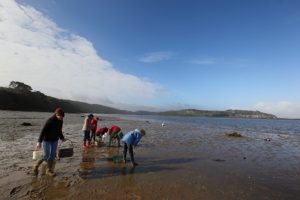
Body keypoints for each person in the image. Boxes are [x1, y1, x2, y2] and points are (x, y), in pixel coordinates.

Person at [33, 108, 66, 176]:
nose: (61, 118)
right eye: (60, 117)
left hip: (55, 140)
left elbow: (59, 130)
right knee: (46, 155)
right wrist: (39, 142)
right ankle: (36, 166)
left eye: (62, 117)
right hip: (46, 140)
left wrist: (62, 137)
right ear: (56, 114)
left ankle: (49, 170)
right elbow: (43, 131)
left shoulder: (61, 121)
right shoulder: (50, 120)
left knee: (52, 155)